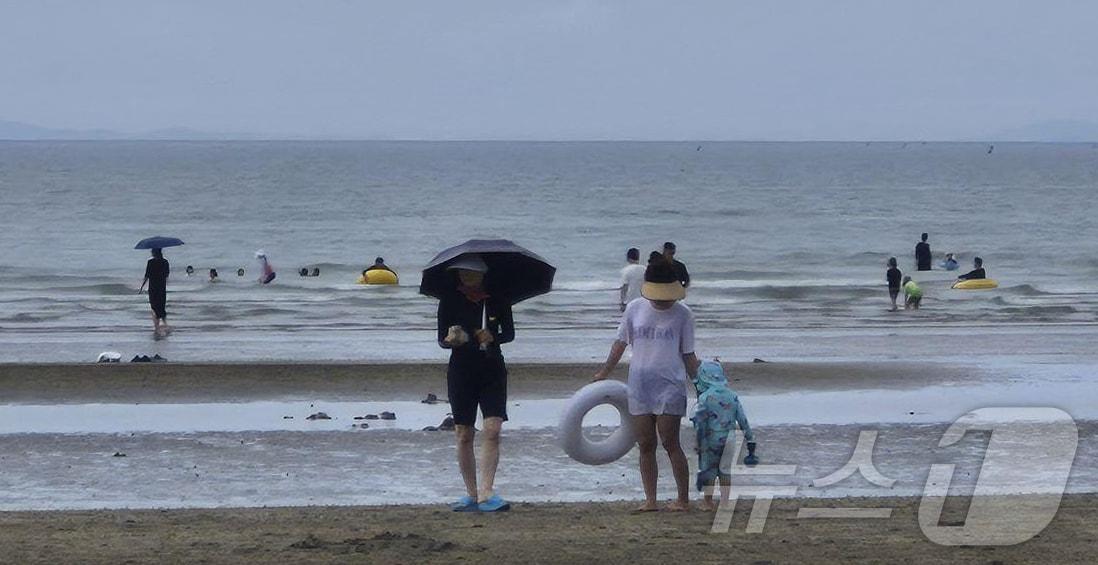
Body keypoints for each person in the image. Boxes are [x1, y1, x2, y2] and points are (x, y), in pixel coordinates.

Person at [593, 260, 699, 512]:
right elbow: (620, 343)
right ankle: (650, 500)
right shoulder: (634, 308)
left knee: (670, 442)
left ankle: (682, 499)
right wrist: (604, 372)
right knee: (645, 443)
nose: (663, 301)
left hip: (670, 385)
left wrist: (701, 384)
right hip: (639, 384)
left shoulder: (684, 314)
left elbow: (688, 354)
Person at [437, 254, 515, 513]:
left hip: (492, 368)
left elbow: (510, 334)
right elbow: (441, 339)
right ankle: (471, 494)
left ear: (483, 275)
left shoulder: (498, 298)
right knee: (463, 433)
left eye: (472, 273)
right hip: (461, 370)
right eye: (462, 273)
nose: (467, 277)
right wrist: (452, 340)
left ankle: (487, 492)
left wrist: (492, 337)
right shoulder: (449, 300)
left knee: (493, 429)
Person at [691, 360, 756, 511]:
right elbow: (742, 419)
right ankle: (725, 501)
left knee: (710, 470)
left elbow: (701, 424)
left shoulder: (704, 398)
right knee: (725, 470)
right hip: (730, 439)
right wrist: (750, 438)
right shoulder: (732, 396)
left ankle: (708, 502)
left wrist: (698, 443)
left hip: (710, 439)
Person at [138, 248, 171, 336]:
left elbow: (147, 276)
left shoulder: (151, 262)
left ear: (154, 252)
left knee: (154, 306)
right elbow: (167, 274)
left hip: (153, 287)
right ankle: (165, 324)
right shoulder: (165, 262)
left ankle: (156, 327)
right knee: (161, 305)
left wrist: (142, 287)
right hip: (162, 287)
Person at [619, 248, 645, 312]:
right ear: (638, 258)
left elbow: (624, 288)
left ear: (628, 258)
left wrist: (622, 302)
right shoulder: (645, 269)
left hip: (630, 301)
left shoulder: (625, 270)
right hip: (643, 300)